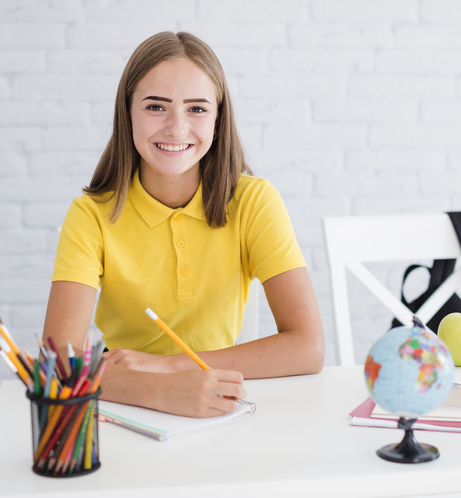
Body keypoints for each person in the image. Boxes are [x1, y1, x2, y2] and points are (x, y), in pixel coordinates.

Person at [41, 31, 324, 418]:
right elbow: (59, 361)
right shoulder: (90, 214)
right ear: (128, 112)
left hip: (216, 394)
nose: (176, 128)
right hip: (124, 398)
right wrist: (159, 390)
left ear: (218, 118)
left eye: (197, 109)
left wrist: (172, 366)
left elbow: (308, 347)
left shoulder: (254, 201)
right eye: (156, 107)